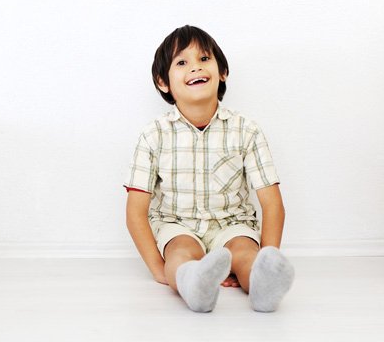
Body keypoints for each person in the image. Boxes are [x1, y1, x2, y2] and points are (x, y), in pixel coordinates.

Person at [124, 25, 294, 313]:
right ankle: (194, 284)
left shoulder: (246, 130)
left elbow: (272, 203)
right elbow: (135, 211)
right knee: (180, 252)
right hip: (178, 225)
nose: (195, 68)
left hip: (232, 224)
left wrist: (268, 253)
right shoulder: (153, 134)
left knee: (244, 252)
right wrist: (157, 268)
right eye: (182, 62)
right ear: (163, 82)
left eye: (204, 59)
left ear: (222, 71)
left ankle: (262, 283)